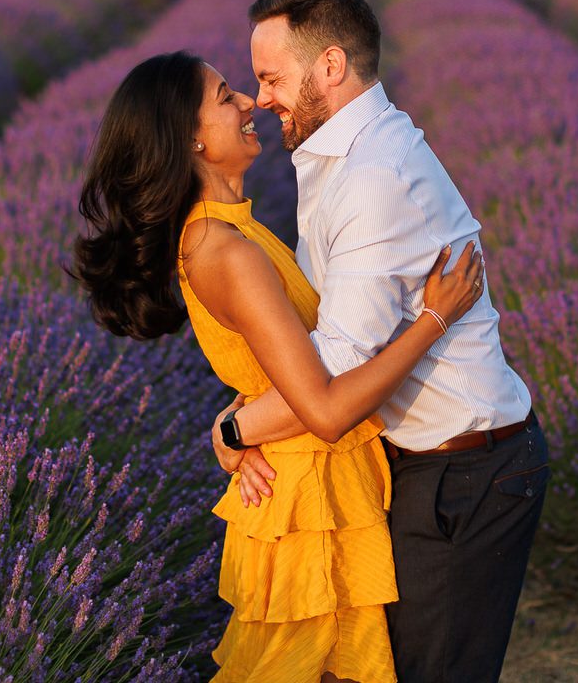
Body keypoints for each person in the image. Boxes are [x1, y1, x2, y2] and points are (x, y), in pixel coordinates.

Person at [72, 49, 487, 683]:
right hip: (305, 500)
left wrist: (234, 427)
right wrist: (435, 319)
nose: (248, 104)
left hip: (317, 482)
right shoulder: (222, 249)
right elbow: (322, 408)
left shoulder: (234, 233)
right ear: (192, 142)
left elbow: (276, 375)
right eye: (225, 97)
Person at [216, 0, 549, 683]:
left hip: (463, 474)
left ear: (330, 67)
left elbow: (330, 376)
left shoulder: (374, 176)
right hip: (418, 466)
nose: (262, 97)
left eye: (272, 77)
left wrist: (237, 432)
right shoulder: (336, 156)